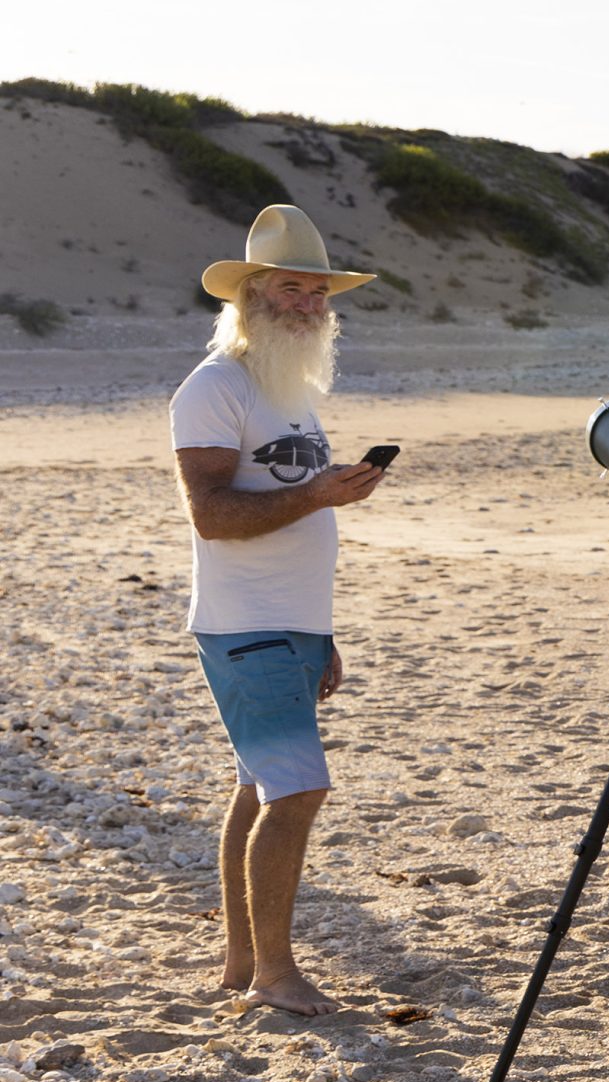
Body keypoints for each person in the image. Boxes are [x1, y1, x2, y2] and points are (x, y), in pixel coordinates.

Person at [171, 205, 390, 1016]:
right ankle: (274, 972)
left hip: (291, 627)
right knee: (296, 792)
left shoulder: (290, 389)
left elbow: (290, 504)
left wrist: (321, 634)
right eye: (290, 289)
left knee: (258, 785)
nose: (307, 305)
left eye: (317, 293)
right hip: (243, 626)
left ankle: (240, 961)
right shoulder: (215, 386)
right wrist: (318, 495)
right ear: (250, 297)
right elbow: (213, 514)